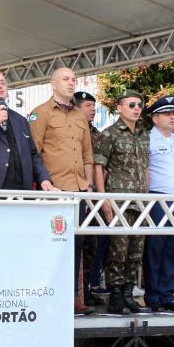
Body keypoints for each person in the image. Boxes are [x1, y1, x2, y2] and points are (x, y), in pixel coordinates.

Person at [28, 68, 95, 315]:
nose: (71, 83)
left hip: (79, 190)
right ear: (52, 84)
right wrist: (43, 184)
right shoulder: (40, 113)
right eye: (65, 79)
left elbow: (88, 153)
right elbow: (33, 153)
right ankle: (49, 296)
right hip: (53, 190)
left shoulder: (80, 115)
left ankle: (74, 299)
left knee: (77, 246)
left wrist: (88, 184)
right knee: (52, 246)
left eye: (73, 79)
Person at [94, 89, 150, 314]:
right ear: (119, 108)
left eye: (139, 105)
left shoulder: (144, 134)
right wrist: (104, 199)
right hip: (118, 199)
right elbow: (100, 168)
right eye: (131, 105)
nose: (137, 108)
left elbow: (146, 169)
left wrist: (147, 196)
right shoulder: (109, 134)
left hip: (140, 200)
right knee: (119, 248)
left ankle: (128, 294)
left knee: (136, 250)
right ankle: (116, 295)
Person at [142, 96, 174, 312]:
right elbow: (146, 172)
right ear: (155, 118)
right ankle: (153, 295)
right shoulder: (147, 139)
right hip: (157, 198)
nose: (172, 118)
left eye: (173, 114)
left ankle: (168, 294)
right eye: (167, 114)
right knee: (156, 247)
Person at [74, 90, 107, 305]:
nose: (93, 110)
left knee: (94, 245)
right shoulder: (72, 131)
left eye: (94, 106)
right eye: (88, 105)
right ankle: (76, 295)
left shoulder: (97, 133)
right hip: (75, 193)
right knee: (77, 244)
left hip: (95, 196)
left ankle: (88, 290)